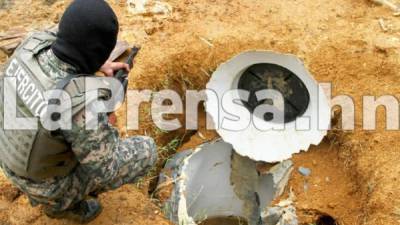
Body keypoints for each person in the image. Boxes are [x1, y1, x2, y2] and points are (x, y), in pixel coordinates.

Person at [0, 0, 157, 223]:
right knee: (147, 150)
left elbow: (67, 42)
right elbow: (107, 169)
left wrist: (97, 65)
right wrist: (107, 112)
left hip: (9, 157)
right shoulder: (80, 105)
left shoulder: (29, 46)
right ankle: (62, 205)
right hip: (45, 186)